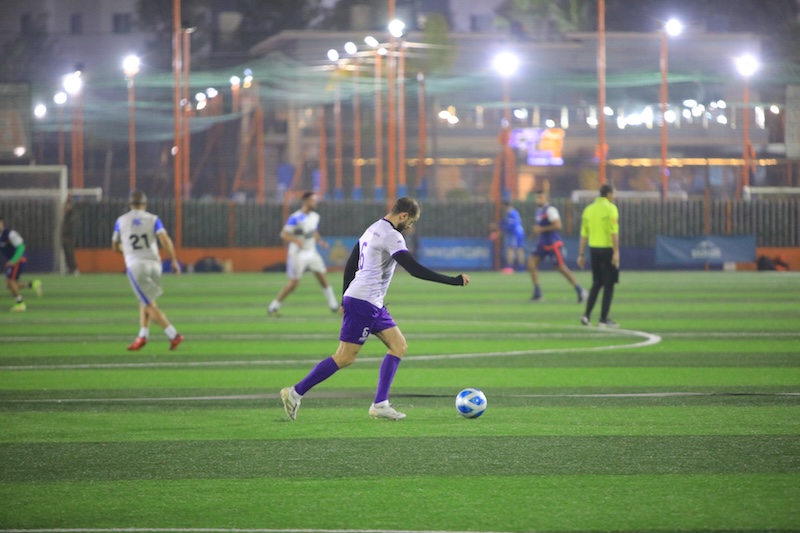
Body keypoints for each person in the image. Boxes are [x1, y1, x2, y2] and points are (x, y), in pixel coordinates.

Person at [280, 197, 470, 421]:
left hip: (370, 301)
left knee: (398, 345)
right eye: (411, 222)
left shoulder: (373, 228)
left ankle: (380, 404)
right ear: (403, 215)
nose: (410, 227)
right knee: (345, 357)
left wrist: (344, 297)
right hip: (364, 301)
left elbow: (352, 262)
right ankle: (295, 393)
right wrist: (454, 280)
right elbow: (413, 269)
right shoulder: (391, 235)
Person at [112, 190, 184, 350]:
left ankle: (173, 334)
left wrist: (128, 250)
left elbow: (114, 246)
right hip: (155, 265)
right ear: (145, 204)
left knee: (148, 303)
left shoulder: (121, 220)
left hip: (136, 266)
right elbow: (165, 239)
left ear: (130, 204)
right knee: (145, 300)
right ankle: (142, 336)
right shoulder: (153, 219)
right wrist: (173, 260)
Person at [268, 191, 339, 316]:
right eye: (312, 200)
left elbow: (314, 231)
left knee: (322, 278)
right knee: (293, 284)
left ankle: (334, 305)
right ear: (305, 201)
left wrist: (320, 242)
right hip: (298, 254)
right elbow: (284, 234)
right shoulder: (295, 217)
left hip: (311, 252)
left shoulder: (315, 216)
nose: (315, 202)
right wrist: (296, 241)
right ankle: (273, 306)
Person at [528, 190, 587, 303]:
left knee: (560, 268)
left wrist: (541, 229)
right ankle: (537, 293)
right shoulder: (539, 211)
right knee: (531, 263)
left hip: (553, 243)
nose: (538, 199)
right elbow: (540, 227)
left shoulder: (551, 210)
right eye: (537, 197)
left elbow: (558, 225)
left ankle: (580, 290)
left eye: (540, 197)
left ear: (546, 198)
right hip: (543, 243)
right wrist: (535, 234)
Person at [576, 184, 620, 327]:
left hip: (593, 249)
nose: (615, 196)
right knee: (609, 285)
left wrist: (581, 254)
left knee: (597, 283)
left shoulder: (589, 209)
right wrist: (616, 252)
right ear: (608, 194)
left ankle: (586, 315)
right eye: (614, 193)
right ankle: (603, 318)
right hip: (607, 249)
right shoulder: (611, 208)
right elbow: (614, 232)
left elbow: (584, 234)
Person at [0, 216, 42, 312]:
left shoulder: (10, 234)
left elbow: (21, 247)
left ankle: (20, 303)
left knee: (11, 282)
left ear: (2, 223)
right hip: (13, 261)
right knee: (9, 284)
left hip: (19, 260)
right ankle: (33, 284)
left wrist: (14, 260)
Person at [499, 201, 525, 273]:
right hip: (519, 232)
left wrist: (503, 228)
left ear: (506, 206)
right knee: (519, 249)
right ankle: (521, 267)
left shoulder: (511, 213)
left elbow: (510, 225)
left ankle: (510, 267)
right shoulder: (515, 213)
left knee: (511, 249)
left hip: (515, 233)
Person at [61, 194, 79, 275]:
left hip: (70, 237)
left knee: (70, 253)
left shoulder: (72, 214)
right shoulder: (66, 216)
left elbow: (72, 226)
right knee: (66, 253)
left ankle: (74, 269)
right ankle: (70, 268)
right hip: (65, 237)